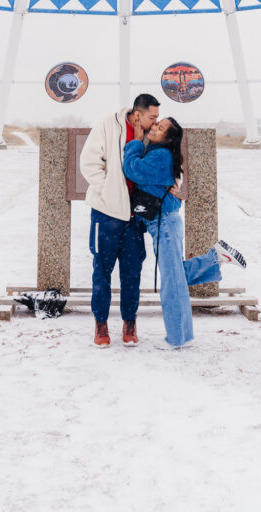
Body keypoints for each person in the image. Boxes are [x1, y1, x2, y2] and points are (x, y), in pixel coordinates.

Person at [123, 116, 246, 350]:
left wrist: (136, 142)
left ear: (168, 138)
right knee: (176, 276)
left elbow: (131, 169)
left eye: (160, 128)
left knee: (172, 282)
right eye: (156, 124)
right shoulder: (159, 152)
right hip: (164, 223)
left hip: (165, 225)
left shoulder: (160, 155)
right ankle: (215, 259)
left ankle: (176, 338)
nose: (154, 128)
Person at [80, 93, 161, 348]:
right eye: (152, 117)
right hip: (105, 213)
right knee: (102, 270)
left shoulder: (152, 134)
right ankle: (101, 323)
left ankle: (129, 321)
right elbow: (89, 162)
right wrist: (108, 192)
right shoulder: (107, 124)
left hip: (135, 216)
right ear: (137, 114)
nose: (156, 121)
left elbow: (162, 163)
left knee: (132, 272)